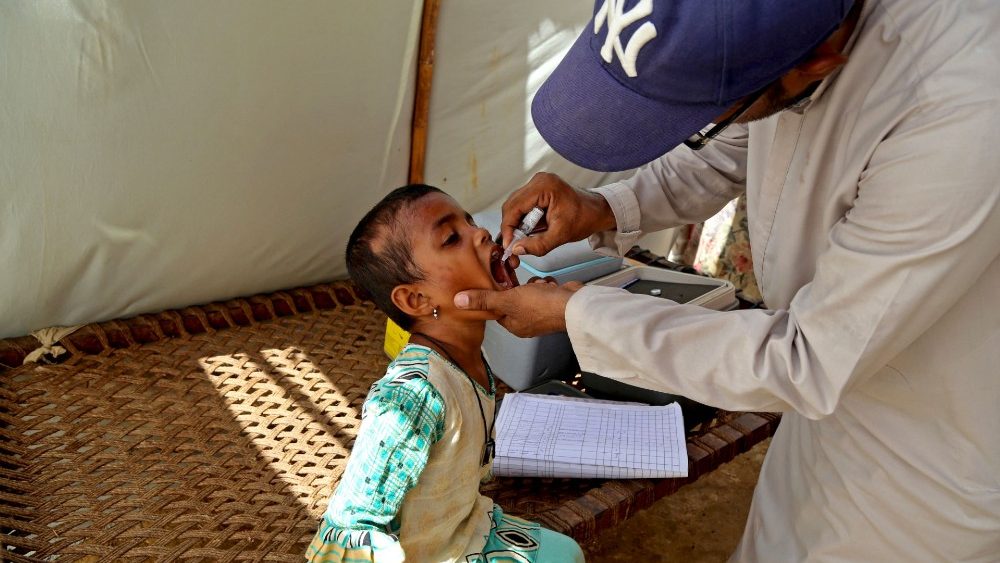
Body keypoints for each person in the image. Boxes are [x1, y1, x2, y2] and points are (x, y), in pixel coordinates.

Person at [454, 0, 1000, 560]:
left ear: (816, 64)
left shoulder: (960, 111)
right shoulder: (781, 48)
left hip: (925, 468)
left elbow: (808, 359)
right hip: (823, 417)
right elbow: (729, 149)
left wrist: (578, 312)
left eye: (699, 113)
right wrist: (603, 206)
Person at [306, 184, 584, 562]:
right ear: (417, 300)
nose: (482, 233)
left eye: (469, 222)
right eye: (452, 238)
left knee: (566, 554)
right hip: (430, 554)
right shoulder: (413, 396)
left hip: (465, 525)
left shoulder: (467, 360)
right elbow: (352, 525)